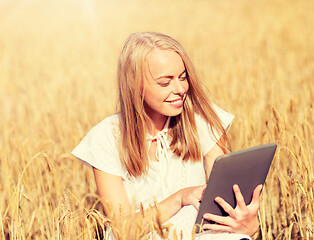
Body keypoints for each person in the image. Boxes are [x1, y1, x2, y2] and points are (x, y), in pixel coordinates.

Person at [72, 32, 262, 240]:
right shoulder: (106, 138)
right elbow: (122, 231)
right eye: (165, 83)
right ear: (134, 86)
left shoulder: (203, 120)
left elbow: (229, 197)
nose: (180, 89)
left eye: (183, 77)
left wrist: (248, 224)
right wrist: (179, 198)